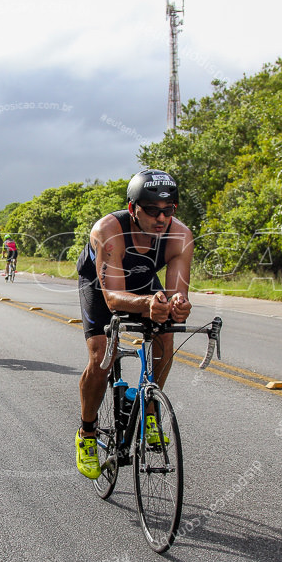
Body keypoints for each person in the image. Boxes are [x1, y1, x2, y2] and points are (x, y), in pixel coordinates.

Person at [73, 169, 194, 479]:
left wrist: (178, 306)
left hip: (141, 281)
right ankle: (86, 433)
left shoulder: (180, 236)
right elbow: (113, 298)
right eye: (152, 210)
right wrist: (148, 304)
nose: (161, 218)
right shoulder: (108, 231)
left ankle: (148, 410)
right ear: (132, 209)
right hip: (102, 286)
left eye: (169, 210)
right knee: (102, 356)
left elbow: (176, 294)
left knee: (166, 335)